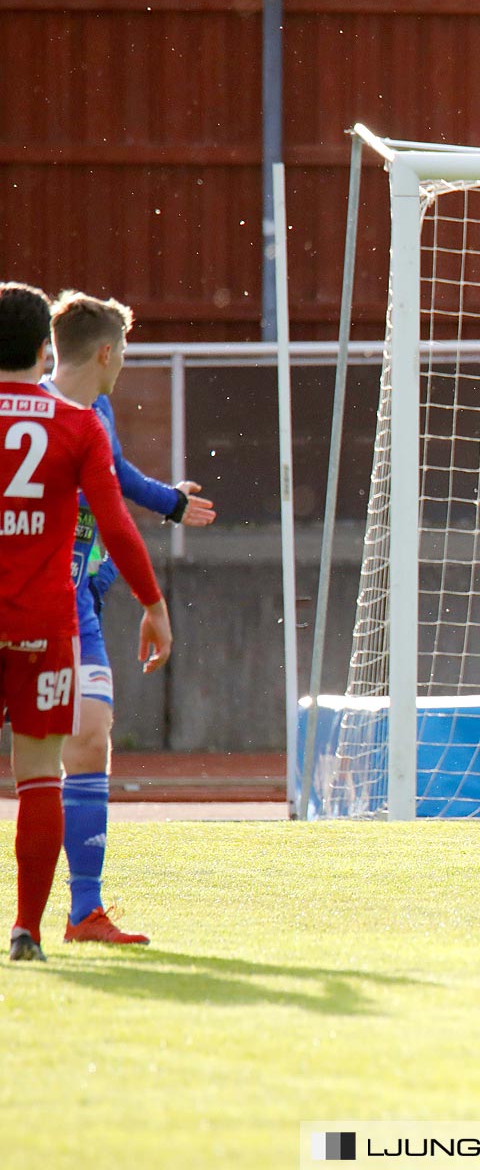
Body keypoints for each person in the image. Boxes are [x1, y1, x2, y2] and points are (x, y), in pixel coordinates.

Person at [0, 282, 171, 963]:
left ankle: (77, 908)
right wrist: (154, 604)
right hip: (42, 625)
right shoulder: (77, 425)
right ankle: (25, 931)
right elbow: (120, 524)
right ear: (46, 350)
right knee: (40, 775)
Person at [47, 292, 216, 945]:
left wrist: (170, 502)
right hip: (29, 592)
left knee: (88, 738)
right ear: (106, 351)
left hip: (79, 596)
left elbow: (113, 481)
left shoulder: (100, 412)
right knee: (51, 748)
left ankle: (81, 911)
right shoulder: (30, 409)